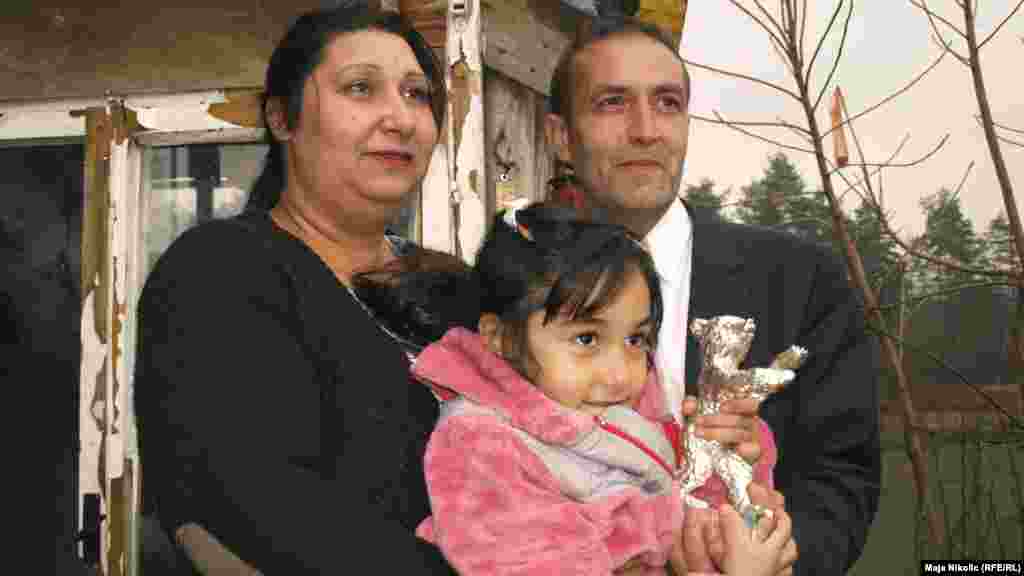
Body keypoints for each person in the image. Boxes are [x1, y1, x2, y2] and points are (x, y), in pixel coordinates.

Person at [543, 15, 881, 575]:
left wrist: (775, 560)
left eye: (668, 103)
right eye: (612, 103)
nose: (646, 129)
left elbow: (841, 474)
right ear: (560, 136)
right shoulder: (515, 292)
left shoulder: (799, 280)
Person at [134, 4, 460, 573]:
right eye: (361, 89)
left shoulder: (451, 288)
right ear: (282, 118)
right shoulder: (220, 272)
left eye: (416, 94)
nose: (402, 119)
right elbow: (259, 506)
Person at [353, 202, 792, 575]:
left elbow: (691, 498)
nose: (621, 373)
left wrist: (731, 460)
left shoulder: (626, 405)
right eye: (586, 339)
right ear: (499, 338)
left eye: (636, 339)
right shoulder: (480, 446)